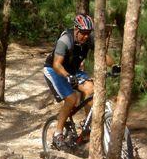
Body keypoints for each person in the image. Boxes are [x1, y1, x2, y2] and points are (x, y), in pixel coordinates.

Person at [43, 14, 116, 150]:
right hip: (54, 69)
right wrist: (68, 76)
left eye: (88, 33)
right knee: (71, 99)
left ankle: (87, 128)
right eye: (83, 33)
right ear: (76, 29)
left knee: (91, 89)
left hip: (73, 69)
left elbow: (103, 56)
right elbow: (57, 64)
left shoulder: (89, 40)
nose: (86, 36)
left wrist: (115, 66)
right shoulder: (65, 40)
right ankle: (58, 133)